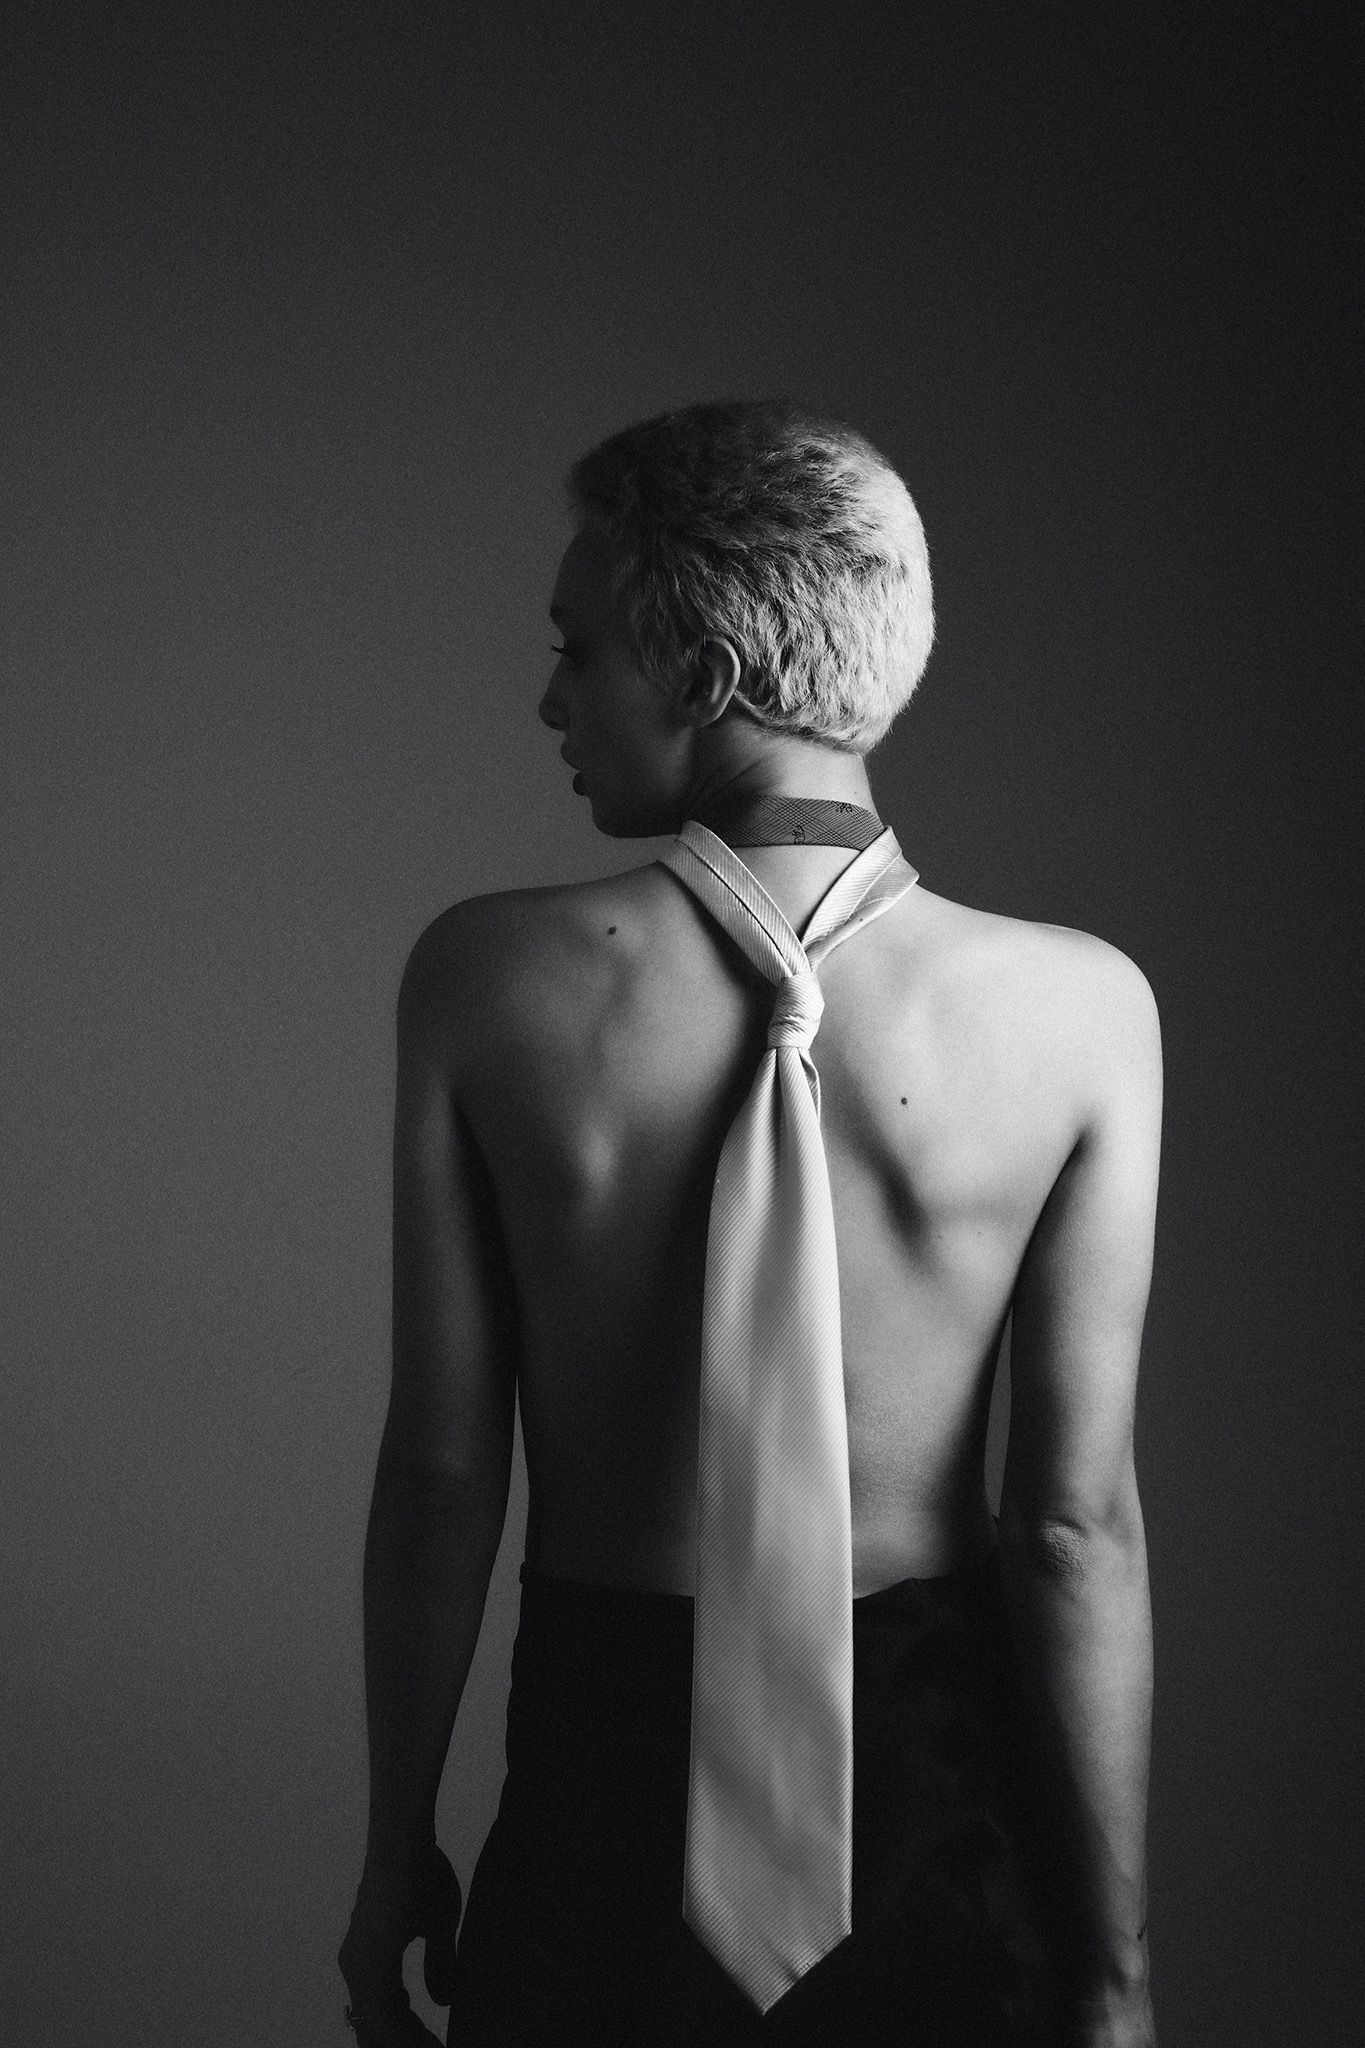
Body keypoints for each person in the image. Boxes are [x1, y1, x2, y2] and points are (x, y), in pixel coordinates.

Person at [338, 400, 1160, 2047]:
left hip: (600, 1789)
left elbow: (441, 1476)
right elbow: (1070, 1530)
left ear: (705, 676)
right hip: (937, 1792)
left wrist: (393, 1848)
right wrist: (1111, 1968)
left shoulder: (486, 980)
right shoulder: (1083, 1012)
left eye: (575, 649)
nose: (549, 700)